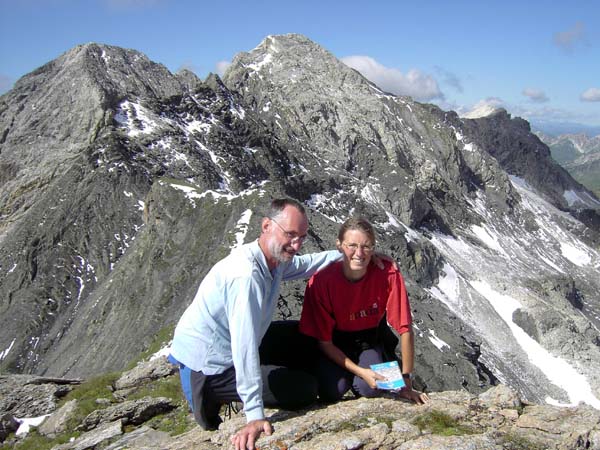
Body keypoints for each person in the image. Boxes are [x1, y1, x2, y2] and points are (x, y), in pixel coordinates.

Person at [169, 198, 344, 450]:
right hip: (211, 367)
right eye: (290, 235)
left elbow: (306, 265)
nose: (296, 245)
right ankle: (210, 395)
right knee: (303, 390)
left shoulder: (273, 258)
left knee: (305, 334)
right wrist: (254, 415)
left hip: (228, 344)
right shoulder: (246, 277)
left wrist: (349, 253)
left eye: (302, 237)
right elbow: (244, 346)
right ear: (266, 226)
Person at [299, 216, 429, 405]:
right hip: (334, 344)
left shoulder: (387, 272)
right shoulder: (322, 281)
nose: (359, 253)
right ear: (339, 245)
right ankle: (351, 375)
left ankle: (361, 376)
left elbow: (404, 327)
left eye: (366, 246)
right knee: (331, 391)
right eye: (352, 245)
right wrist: (361, 372)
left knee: (371, 388)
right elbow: (324, 342)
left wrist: (406, 382)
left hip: (368, 341)